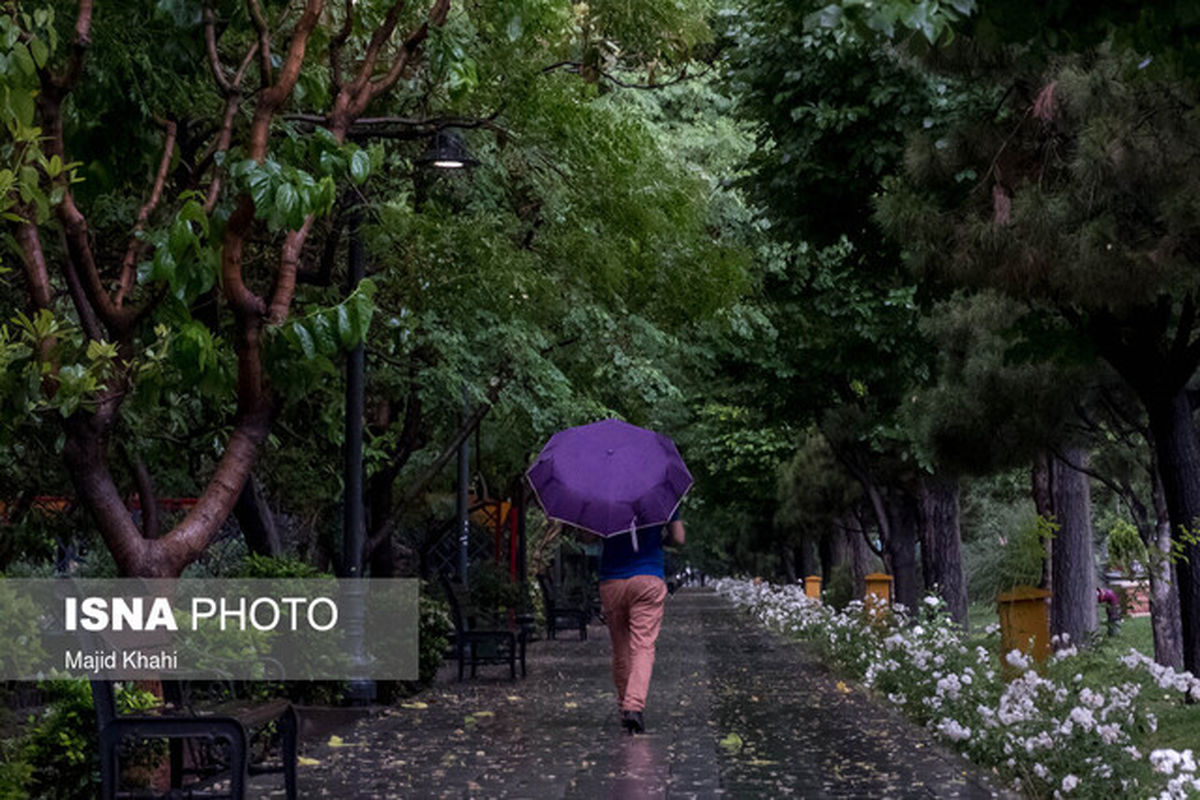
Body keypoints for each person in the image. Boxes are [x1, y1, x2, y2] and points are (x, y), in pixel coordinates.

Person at [598, 508, 685, 734]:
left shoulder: (605, 496)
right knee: (643, 645)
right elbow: (679, 538)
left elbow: (588, 536)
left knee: (620, 648)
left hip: (613, 580)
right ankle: (633, 707)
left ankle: (624, 706)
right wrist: (660, 539)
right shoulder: (661, 495)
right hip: (648, 578)